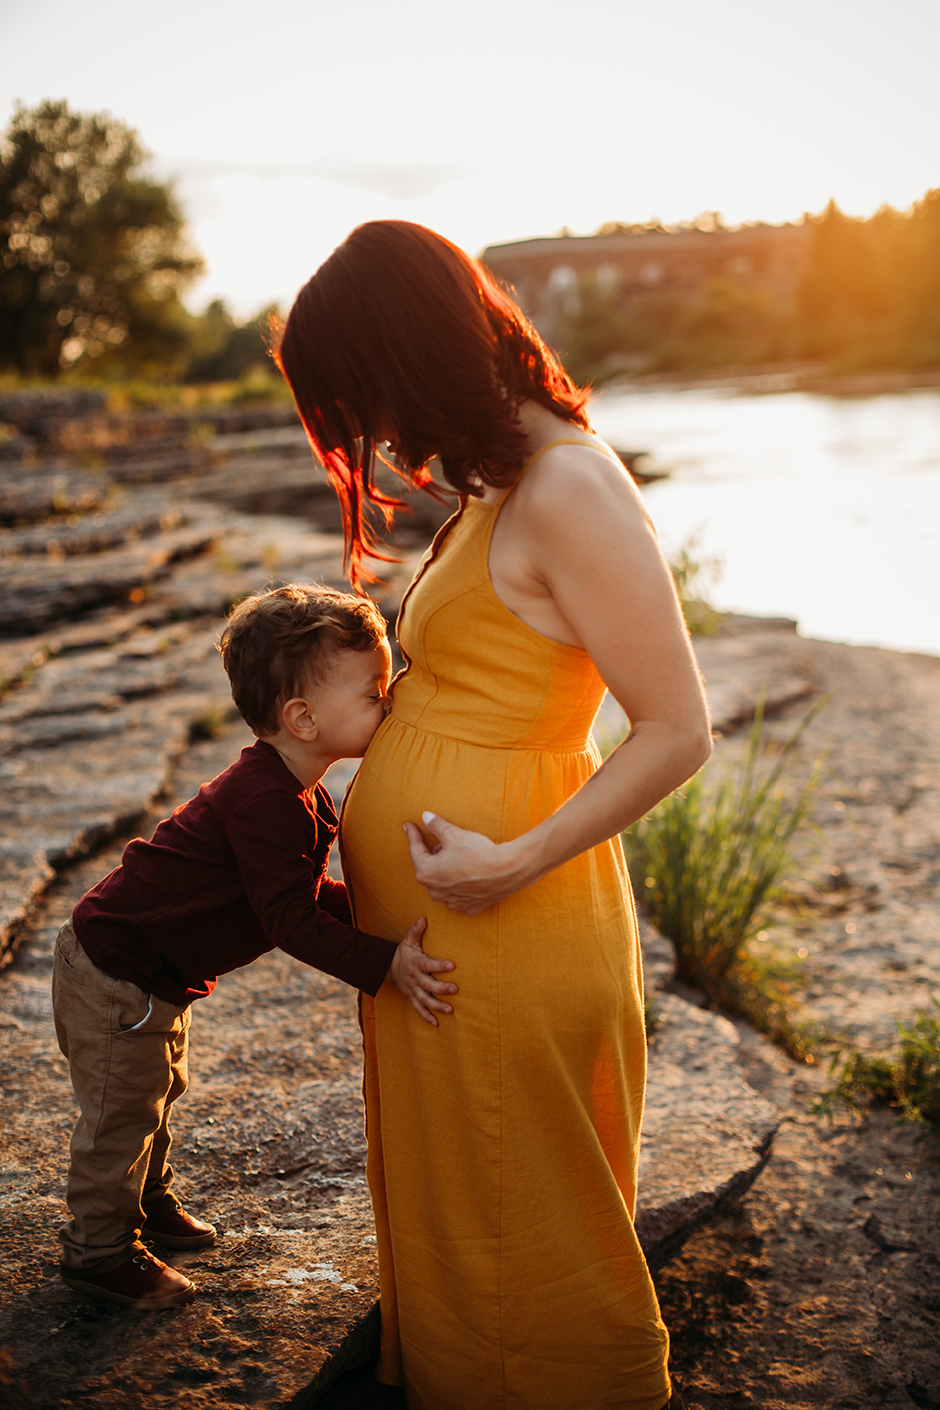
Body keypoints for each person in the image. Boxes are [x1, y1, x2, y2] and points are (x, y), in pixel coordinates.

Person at [277, 221, 711, 1410]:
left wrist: (508, 860)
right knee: (472, 1209)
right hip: (458, 937)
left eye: (360, 397)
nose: (364, 435)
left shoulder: (569, 485)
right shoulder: (506, 480)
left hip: (510, 920)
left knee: (530, 1226)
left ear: (407, 355)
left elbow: (678, 728)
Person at [52, 584, 457, 1312]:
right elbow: (287, 921)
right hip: (115, 969)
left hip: (153, 973)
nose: (389, 700)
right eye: (373, 692)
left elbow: (297, 895)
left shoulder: (297, 790)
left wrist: (374, 925)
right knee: (124, 1109)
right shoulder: (268, 802)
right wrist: (384, 965)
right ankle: (98, 1253)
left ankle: (146, 1202)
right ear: (302, 718)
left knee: (157, 1091)